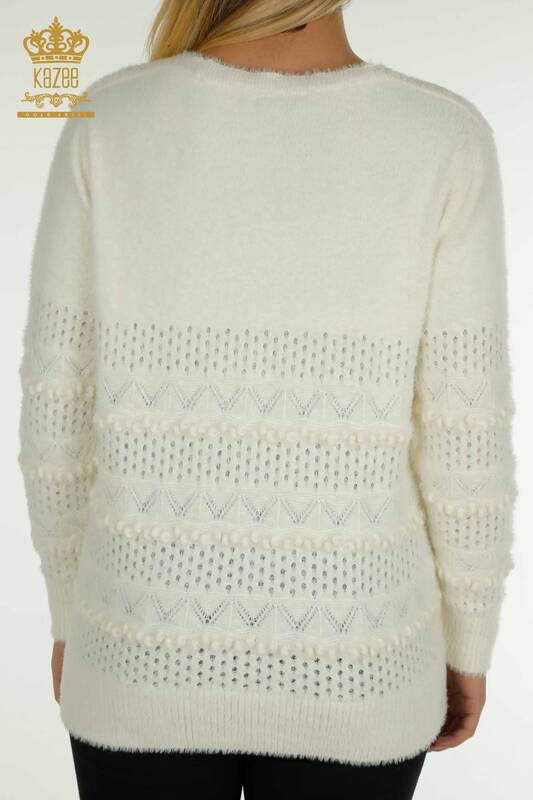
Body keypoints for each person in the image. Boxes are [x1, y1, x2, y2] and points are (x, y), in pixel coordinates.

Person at [18, 1, 517, 798]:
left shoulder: (110, 120)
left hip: (137, 655)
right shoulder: (440, 137)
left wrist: (72, 615)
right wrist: (467, 642)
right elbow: (464, 432)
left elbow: (58, 413)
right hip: (360, 667)